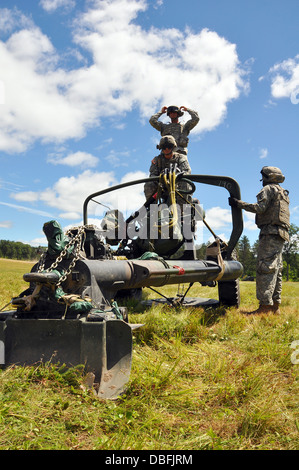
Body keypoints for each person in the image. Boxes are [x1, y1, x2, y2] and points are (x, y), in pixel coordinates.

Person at [229, 166, 290, 314]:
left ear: (268, 177)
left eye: (263, 177)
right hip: (281, 235)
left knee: (265, 268)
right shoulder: (283, 193)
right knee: (276, 270)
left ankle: (264, 308)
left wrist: (239, 204)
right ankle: (275, 307)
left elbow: (260, 208)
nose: (262, 180)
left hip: (269, 233)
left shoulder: (269, 189)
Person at [144, 135, 191, 204]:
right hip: (162, 188)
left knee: (185, 182)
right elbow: (152, 175)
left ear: (173, 147)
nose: (166, 149)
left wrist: (176, 176)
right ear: (161, 148)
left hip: (178, 188)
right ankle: (153, 210)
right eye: (164, 147)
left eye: (169, 146)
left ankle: (182, 209)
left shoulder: (181, 158)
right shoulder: (157, 160)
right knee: (149, 184)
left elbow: (186, 172)